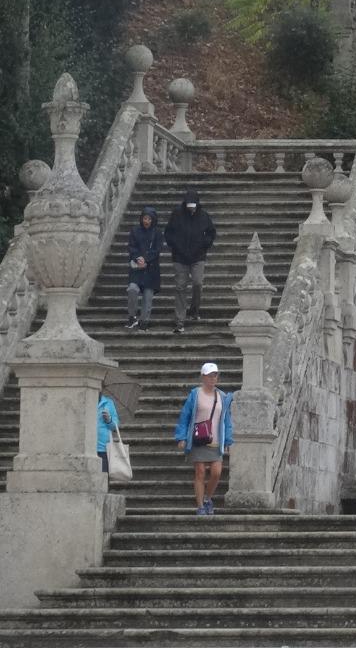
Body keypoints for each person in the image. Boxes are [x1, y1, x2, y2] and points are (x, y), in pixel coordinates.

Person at [175, 362, 232, 516]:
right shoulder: (195, 394)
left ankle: (208, 498)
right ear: (203, 377)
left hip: (215, 439)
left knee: (216, 473)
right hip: (198, 438)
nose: (213, 378)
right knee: (200, 472)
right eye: (210, 375)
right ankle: (200, 506)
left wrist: (227, 440)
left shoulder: (222, 396)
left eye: (215, 375)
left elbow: (226, 420)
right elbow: (185, 416)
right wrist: (181, 437)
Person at [164, 188, 215, 334]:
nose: (191, 207)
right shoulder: (177, 214)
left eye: (193, 205)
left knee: (198, 283)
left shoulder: (203, 216)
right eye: (188, 204)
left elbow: (211, 233)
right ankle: (180, 320)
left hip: (198, 256)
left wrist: (204, 244)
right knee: (180, 287)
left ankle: (194, 309)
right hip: (180, 257)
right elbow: (168, 233)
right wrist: (175, 245)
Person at [125, 205, 161, 330]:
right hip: (136, 269)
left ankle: (144, 321)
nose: (147, 221)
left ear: (153, 220)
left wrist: (146, 260)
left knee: (147, 297)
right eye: (145, 218)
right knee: (132, 290)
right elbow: (131, 246)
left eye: (149, 219)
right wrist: (137, 257)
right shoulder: (135, 231)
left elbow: (157, 250)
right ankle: (132, 316)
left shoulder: (157, 232)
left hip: (151, 269)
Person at [96, 391, 119, 473]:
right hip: (86, 446)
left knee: (103, 478)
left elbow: (115, 427)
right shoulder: (85, 399)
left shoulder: (108, 403)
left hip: (103, 448)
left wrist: (109, 419)